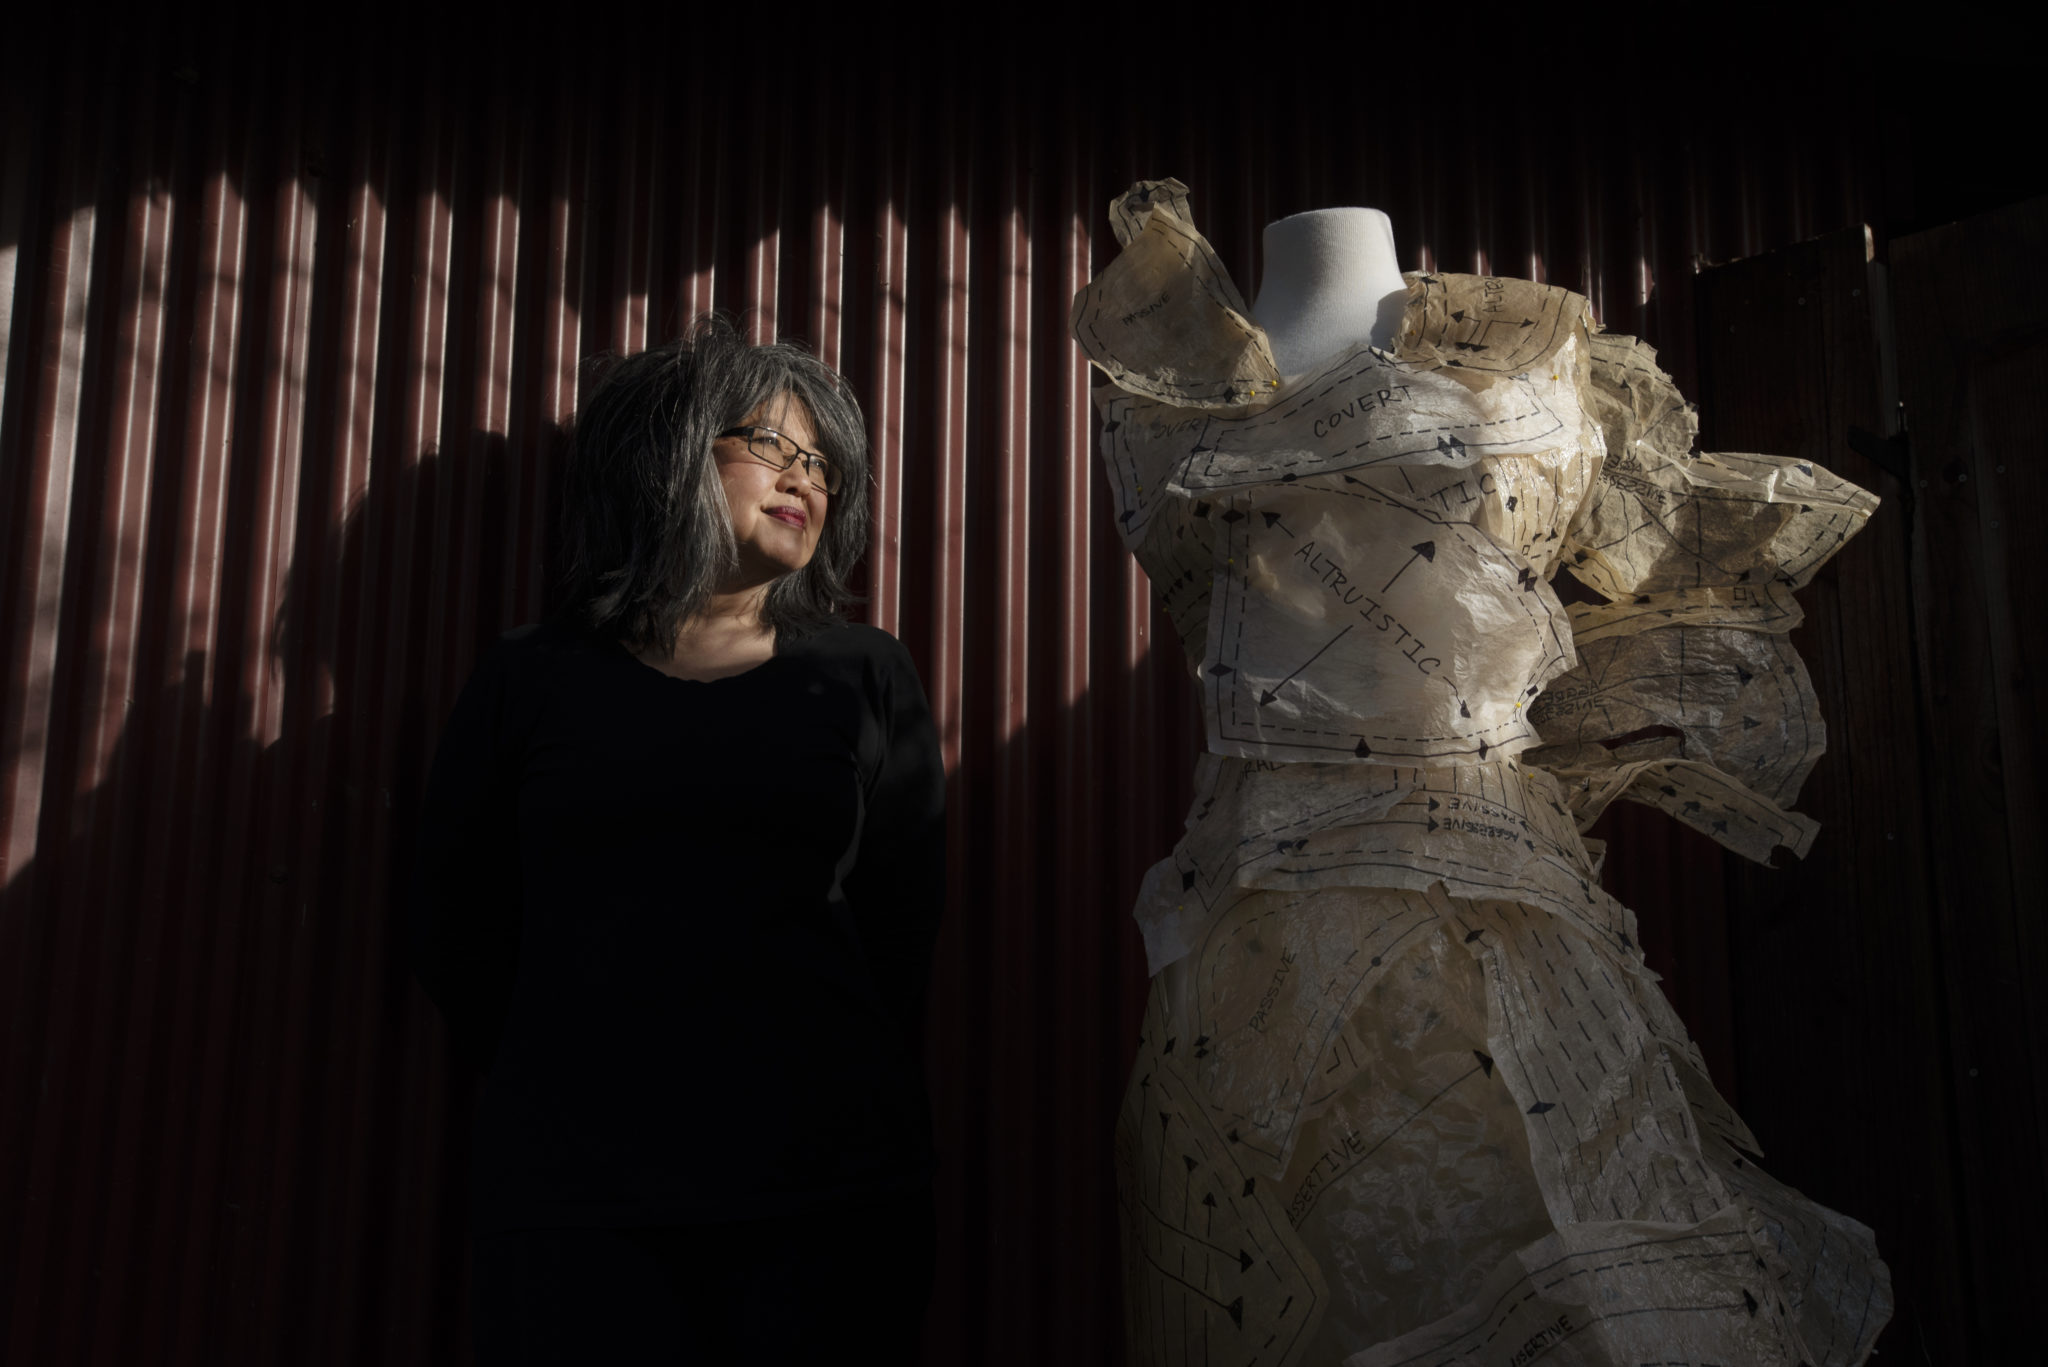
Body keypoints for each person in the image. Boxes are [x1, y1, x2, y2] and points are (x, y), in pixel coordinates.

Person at [411, 318, 946, 1363]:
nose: (807, 477)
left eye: (825, 462)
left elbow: (900, 929)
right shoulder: (531, 677)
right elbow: (455, 922)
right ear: (666, 448)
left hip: (821, 1187)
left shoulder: (863, 672)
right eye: (773, 445)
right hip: (579, 1189)